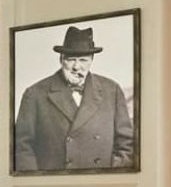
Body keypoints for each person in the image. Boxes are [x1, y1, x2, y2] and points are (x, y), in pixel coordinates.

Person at [14, 24, 134, 172]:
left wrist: (110, 173)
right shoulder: (35, 94)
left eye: (83, 60)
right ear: (61, 59)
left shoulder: (112, 90)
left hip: (100, 181)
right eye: (71, 59)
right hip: (55, 182)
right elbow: (22, 148)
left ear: (91, 60)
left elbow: (126, 144)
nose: (76, 67)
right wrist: (36, 180)